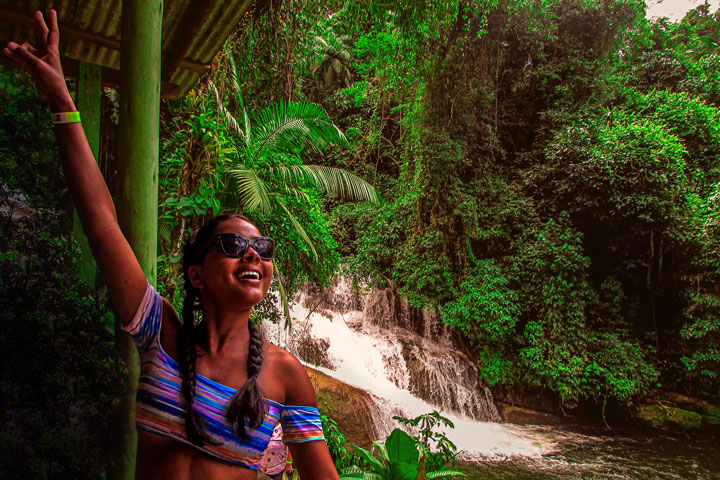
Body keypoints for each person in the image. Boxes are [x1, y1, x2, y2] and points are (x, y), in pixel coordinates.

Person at [3, 10, 339, 480]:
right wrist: (62, 102)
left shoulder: (285, 376)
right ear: (196, 273)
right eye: (232, 244)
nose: (253, 255)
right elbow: (102, 224)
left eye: (262, 247)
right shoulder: (161, 335)